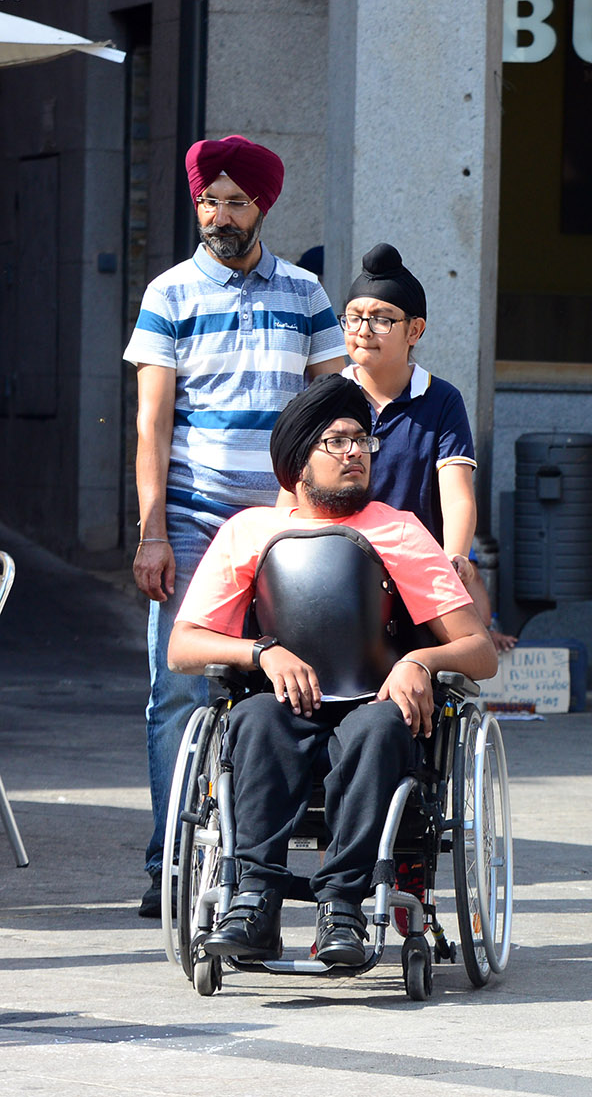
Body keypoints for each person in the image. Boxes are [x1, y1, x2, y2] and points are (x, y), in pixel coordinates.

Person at [166, 375, 497, 965]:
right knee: (253, 720)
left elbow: (479, 650)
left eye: (362, 442)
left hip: (375, 702)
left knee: (378, 729)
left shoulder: (400, 531)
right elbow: (184, 645)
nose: (355, 455)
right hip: (284, 702)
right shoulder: (249, 531)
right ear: (298, 463)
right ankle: (254, 902)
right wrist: (260, 652)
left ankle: (343, 905)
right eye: (337, 443)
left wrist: (420, 660)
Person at [124, 135, 347, 917]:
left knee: (295, 686)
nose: (219, 215)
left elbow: (331, 412)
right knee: (178, 691)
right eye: (208, 201)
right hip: (191, 521)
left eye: (234, 202)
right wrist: (152, 531)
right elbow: (152, 423)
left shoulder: (308, 296)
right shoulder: (170, 293)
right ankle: (169, 864)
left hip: (285, 526)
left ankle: (264, 859)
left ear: (263, 207)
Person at [335, 243, 509, 644]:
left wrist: (456, 556)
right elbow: (296, 487)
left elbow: (458, 493)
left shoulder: (442, 399)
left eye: (381, 320)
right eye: (354, 318)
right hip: (339, 569)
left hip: (415, 574)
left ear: (415, 330)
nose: (363, 331)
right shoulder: (329, 394)